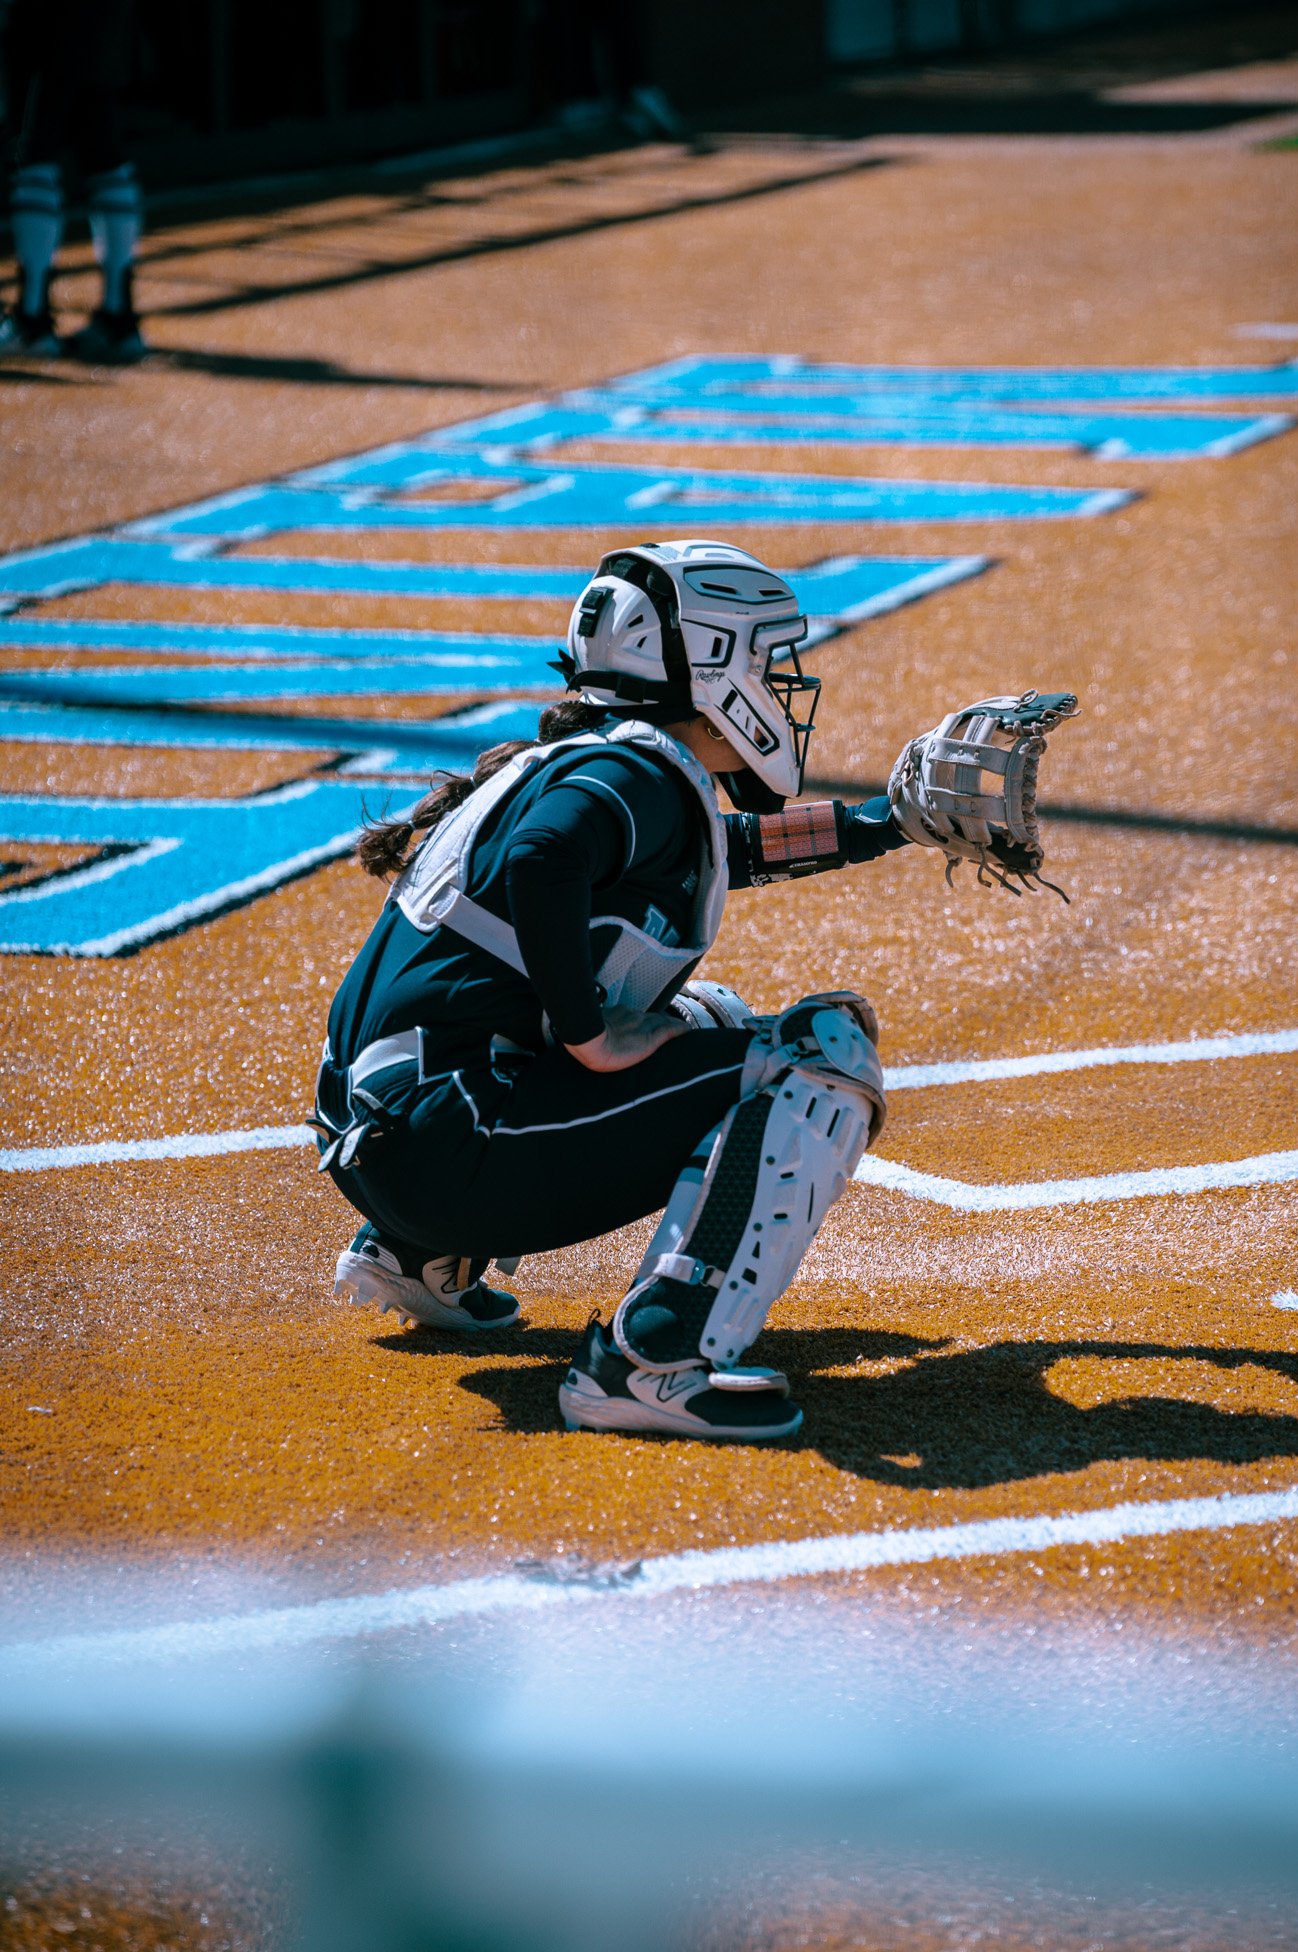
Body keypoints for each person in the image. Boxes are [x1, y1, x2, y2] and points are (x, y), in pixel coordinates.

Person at [313, 538, 1076, 1443]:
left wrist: (887, 824)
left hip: (388, 1147)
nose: (782, 682)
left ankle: (420, 1257)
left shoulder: (602, 761)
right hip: (454, 1143)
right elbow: (544, 857)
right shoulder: (631, 773)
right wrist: (591, 1036)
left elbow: (724, 850)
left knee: (699, 1017)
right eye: (765, 659)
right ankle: (654, 1360)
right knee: (817, 1057)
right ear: (711, 666)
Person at [0, 0, 146, 362]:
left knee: (35, 153)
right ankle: (118, 318)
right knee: (103, 153)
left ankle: (31, 321)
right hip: (106, 20)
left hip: (49, 23)